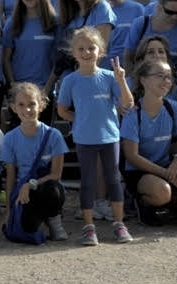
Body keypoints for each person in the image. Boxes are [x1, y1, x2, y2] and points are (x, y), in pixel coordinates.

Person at [53, 30, 136, 245]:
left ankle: (119, 225)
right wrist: (79, 120)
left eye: (91, 48)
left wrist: (122, 80)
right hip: (84, 139)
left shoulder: (110, 77)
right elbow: (62, 110)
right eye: (81, 48)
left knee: (113, 179)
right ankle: (89, 227)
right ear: (73, 53)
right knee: (88, 181)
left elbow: (128, 104)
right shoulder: (70, 80)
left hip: (110, 138)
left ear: (101, 51)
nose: (86, 52)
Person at [120, 59, 177, 229]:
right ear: (143, 80)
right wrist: (169, 175)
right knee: (162, 193)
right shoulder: (133, 112)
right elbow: (131, 156)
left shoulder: (172, 106)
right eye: (160, 76)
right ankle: (143, 202)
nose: (166, 81)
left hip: (168, 167)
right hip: (140, 172)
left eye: (169, 77)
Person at [2, 81, 70, 242]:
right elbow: (10, 176)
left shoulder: (54, 135)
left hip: (44, 185)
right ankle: (38, 219)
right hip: (23, 192)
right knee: (27, 229)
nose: (27, 110)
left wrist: (31, 184)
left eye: (32, 104)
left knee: (53, 189)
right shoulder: (9, 138)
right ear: (13, 108)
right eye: (21, 104)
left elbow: (56, 175)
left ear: (41, 106)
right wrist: (9, 211)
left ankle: (54, 221)